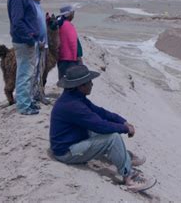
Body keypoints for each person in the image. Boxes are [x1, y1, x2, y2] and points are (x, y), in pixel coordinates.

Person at [50, 65, 156, 193]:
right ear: (81, 86)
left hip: (74, 140)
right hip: (66, 153)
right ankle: (129, 177)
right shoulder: (73, 105)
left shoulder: (74, 97)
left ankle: (124, 157)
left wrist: (123, 121)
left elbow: (100, 112)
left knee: (103, 129)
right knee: (112, 138)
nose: (92, 85)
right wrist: (125, 129)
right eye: (89, 82)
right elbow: (101, 126)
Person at [7, 0, 40, 115]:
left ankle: (27, 101)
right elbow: (17, 22)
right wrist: (29, 38)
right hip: (24, 41)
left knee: (28, 73)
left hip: (26, 40)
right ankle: (24, 106)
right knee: (24, 74)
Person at [28, 0, 50, 105]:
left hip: (42, 45)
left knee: (39, 71)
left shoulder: (38, 5)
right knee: (33, 71)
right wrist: (36, 41)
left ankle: (37, 94)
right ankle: (30, 98)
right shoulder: (32, 6)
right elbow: (31, 26)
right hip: (37, 44)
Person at [57, 5, 83, 79]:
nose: (73, 15)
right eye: (72, 13)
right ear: (68, 14)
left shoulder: (61, 24)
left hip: (62, 58)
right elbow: (73, 42)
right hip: (69, 59)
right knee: (71, 81)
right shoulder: (67, 25)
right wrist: (77, 57)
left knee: (63, 79)